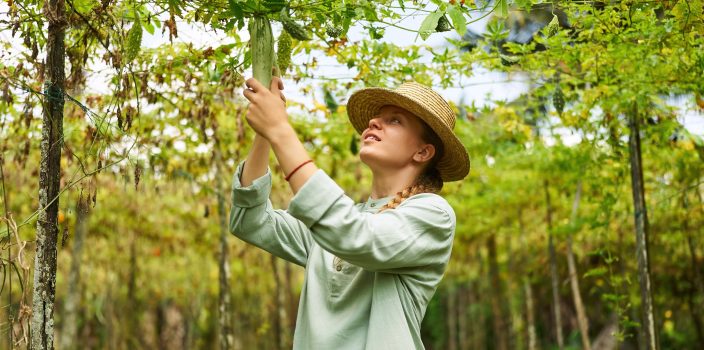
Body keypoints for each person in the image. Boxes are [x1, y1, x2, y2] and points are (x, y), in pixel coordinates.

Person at [230, 76, 470, 349]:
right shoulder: (335, 225)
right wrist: (264, 133)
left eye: (395, 120)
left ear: (423, 151)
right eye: (376, 118)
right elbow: (250, 221)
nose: (373, 122)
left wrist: (280, 131)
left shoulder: (433, 214)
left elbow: (356, 236)